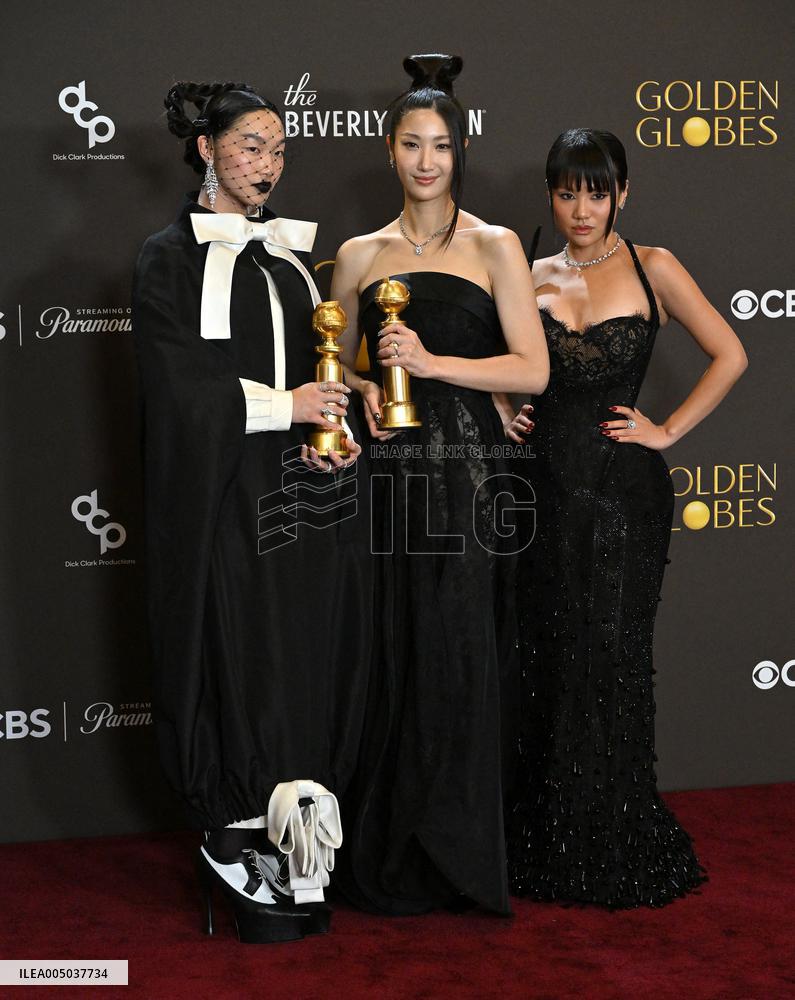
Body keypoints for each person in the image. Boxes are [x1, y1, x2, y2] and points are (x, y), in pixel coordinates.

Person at [132, 80, 372, 942]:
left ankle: (297, 828)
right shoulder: (168, 256)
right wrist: (288, 408)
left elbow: (319, 367)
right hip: (224, 498)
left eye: (277, 150)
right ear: (206, 150)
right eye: (249, 147)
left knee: (300, 646)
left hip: (304, 494)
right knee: (240, 645)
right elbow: (178, 392)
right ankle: (235, 830)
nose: (266, 166)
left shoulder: (290, 261)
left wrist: (331, 422)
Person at [500, 128, 747, 908]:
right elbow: (504, 364)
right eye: (567, 192)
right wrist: (505, 402)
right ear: (550, 194)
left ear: (622, 194)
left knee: (611, 659)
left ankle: (612, 829)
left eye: (596, 192)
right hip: (538, 491)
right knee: (546, 656)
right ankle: (544, 830)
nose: (581, 208)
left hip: (622, 499)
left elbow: (730, 353)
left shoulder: (654, 267)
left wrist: (666, 430)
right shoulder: (525, 271)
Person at [330, 54, 549, 916]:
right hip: (388, 474)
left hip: (467, 479)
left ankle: (456, 852)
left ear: (458, 153)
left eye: (442, 146)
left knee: (458, 647)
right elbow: (336, 358)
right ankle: (388, 843)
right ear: (388, 151)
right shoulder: (356, 253)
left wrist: (433, 362)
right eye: (412, 145)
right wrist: (360, 391)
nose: (427, 161)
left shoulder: (494, 244)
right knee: (391, 646)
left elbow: (530, 371)